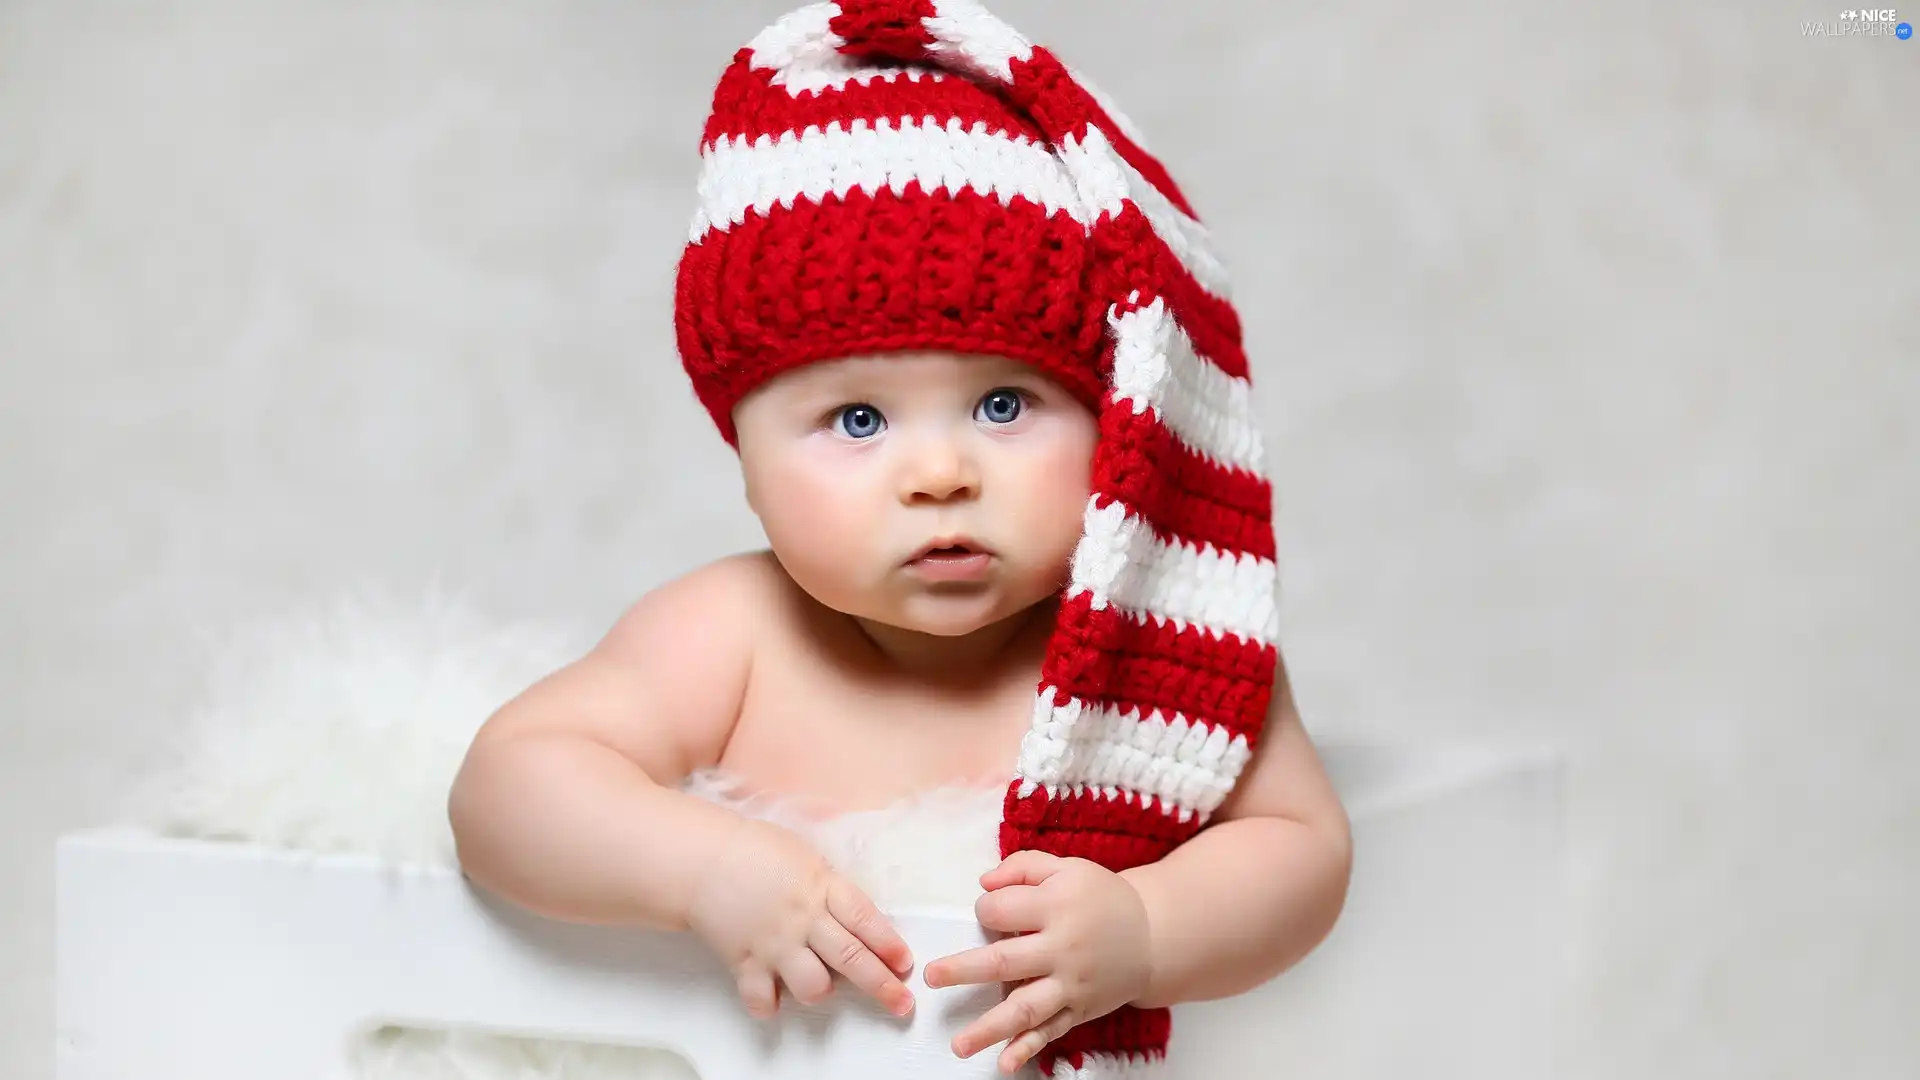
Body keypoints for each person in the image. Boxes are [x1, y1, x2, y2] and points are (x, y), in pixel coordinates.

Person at [448, 2, 1353, 1076]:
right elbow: (509, 785)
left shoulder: (1161, 646)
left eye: (1007, 405)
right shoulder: (731, 634)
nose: (940, 475)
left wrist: (1146, 928)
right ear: (742, 455)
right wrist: (703, 869)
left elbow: (1302, 849)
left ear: (1123, 419)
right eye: (859, 421)